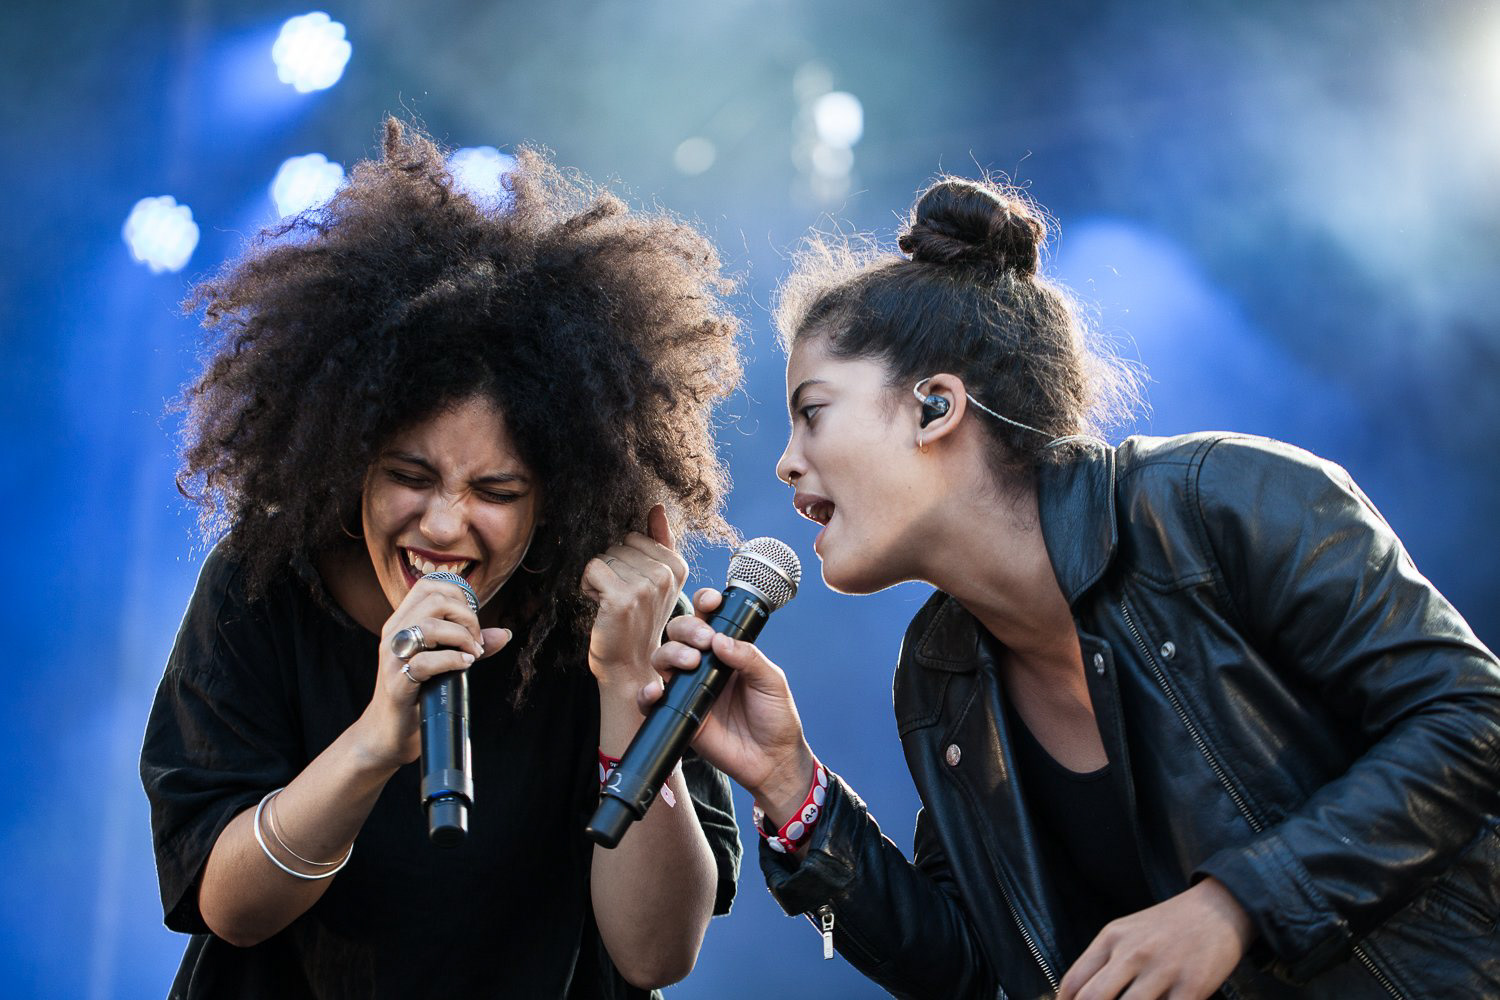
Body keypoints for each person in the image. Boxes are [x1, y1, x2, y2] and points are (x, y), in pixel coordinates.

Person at [648, 177, 1500, 998]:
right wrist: (789, 783)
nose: (786, 462)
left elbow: (1471, 717)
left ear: (935, 407)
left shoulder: (1221, 504)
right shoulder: (939, 673)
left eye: (813, 413)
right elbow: (970, 970)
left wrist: (1234, 907)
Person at [140, 119, 745, 999]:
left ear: (559, 496)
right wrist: (375, 740)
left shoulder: (625, 619)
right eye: (409, 476)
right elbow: (230, 907)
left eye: (496, 490)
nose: (445, 523)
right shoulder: (261, 586)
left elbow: (655, 956)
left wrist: (626, 688)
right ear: (349, 457)